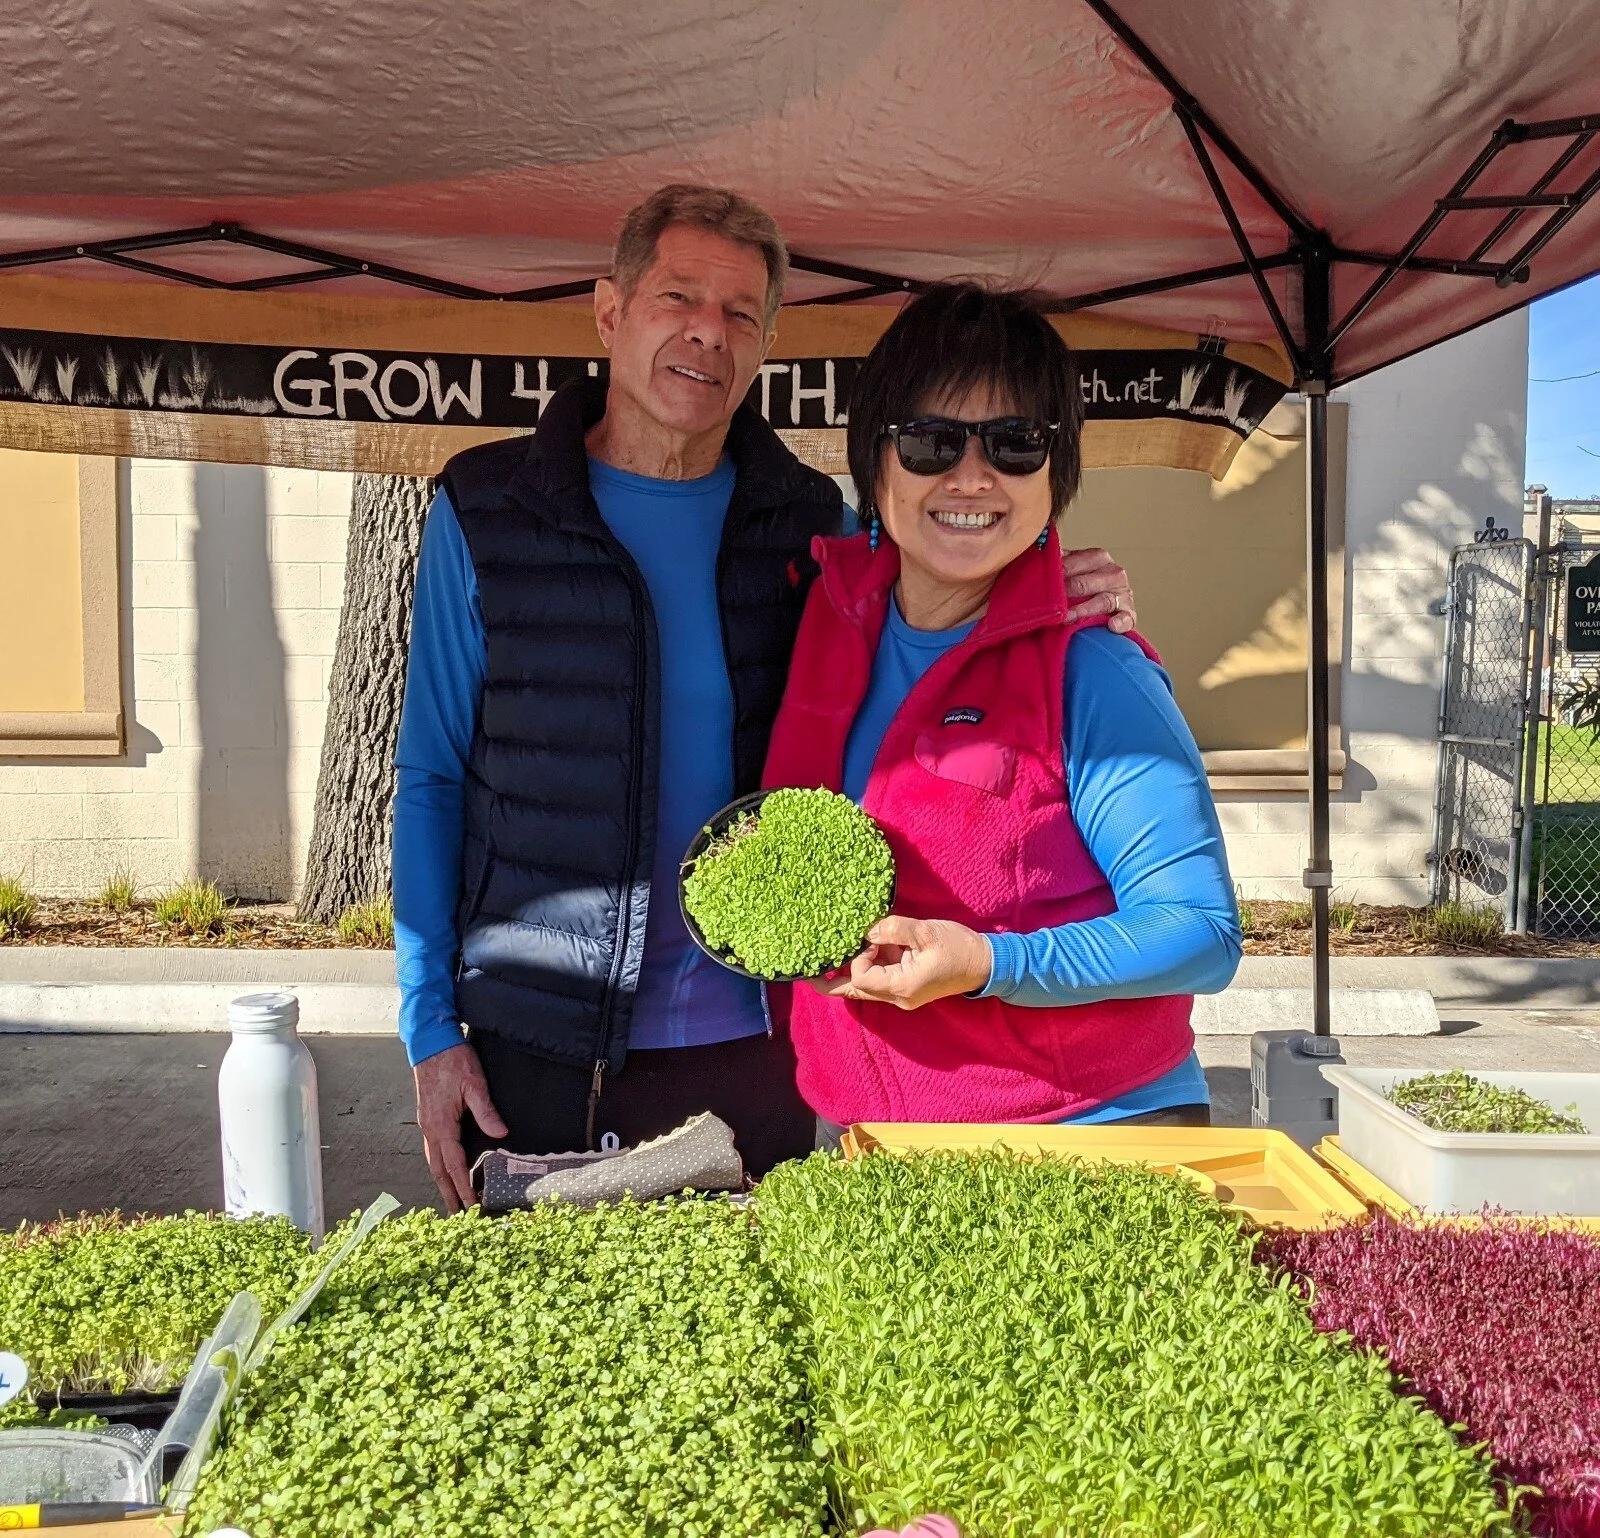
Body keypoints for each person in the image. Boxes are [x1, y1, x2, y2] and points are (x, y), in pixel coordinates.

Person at [395, 186, 1141, 1210]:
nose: (708, 331)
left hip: (756, 1041)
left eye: (741, 314)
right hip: (538, 1040)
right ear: (610, 312)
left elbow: (957, 577)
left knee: (751, 1353)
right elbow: (430, 775)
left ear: (765, 345)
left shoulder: (818, 524)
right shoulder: (482, 509)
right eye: (679, 297)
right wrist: (431, 1028)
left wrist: (1064, 590)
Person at [763, 283, 1241, 1135]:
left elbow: (1202, 933)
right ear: (876, 462)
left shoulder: (1093, 665)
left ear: (1056, 474)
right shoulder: (823, 625)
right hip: (868, 1137)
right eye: (930, 440)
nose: (972, 476)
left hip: (1087, 1137)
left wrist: (990, 962)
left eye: (1017, 442)